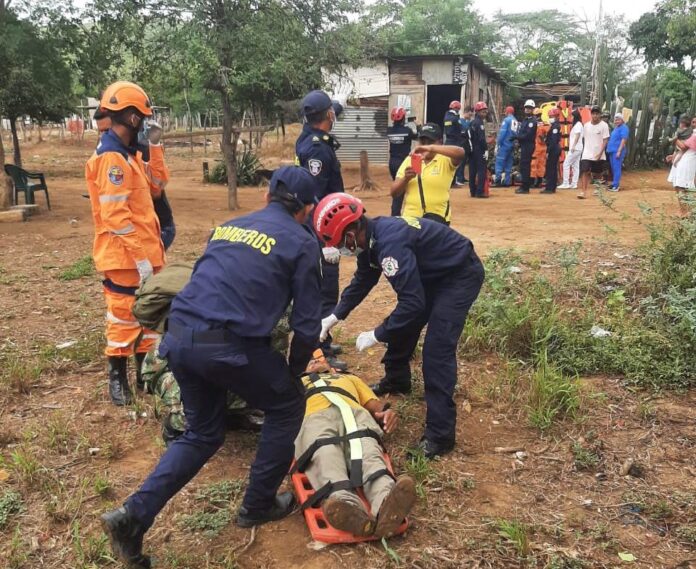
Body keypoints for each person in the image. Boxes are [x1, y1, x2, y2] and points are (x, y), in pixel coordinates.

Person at [101, 167, 323, 568]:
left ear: (267, 197)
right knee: (287, 405)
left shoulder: (227, 227)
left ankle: (132, 517)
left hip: (180, 337)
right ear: (306, 210)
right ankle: (257, 503)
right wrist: (293, 372)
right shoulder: (303, 243)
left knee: (203, 433)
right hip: (224, 343)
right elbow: (306, 327)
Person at [315, 194, 485, 459]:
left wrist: (377, 334)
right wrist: (334, 316)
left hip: (458, 275)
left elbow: (412, 304)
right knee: (404, 324)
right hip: (430, 274)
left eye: (339, 243)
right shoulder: (369, 239)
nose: (340, 249)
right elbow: (363, 279)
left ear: (349, 234)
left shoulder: (389, 242)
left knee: (436, 350)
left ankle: (440, 436)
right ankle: (398, 379)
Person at [85, 81, 165, 407]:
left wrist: (155, 148)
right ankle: (117, 378)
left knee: (148, 315)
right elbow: (115, 217)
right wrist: (140, 258)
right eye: (144, 117)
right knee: (122, 317)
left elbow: (157, 187)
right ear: (132, 118)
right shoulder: (111, 159)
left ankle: (146, 375)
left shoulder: (129, 155)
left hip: (145, 252)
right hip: (125, 257)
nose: (146, 122)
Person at [294, 353, 416, 538]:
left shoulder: (349, 378)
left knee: (367, 451)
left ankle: (386, 501)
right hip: (315, 417)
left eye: (319, 359)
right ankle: (344, 505)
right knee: (325, 452)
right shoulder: (294, 383)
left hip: (355, 415)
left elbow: (375, 406)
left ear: (332, 366)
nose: (315, 361)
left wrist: (385, 414)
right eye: (310, 361)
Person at [295, 90, 347, 369]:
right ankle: (318, 350)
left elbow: (327, 110)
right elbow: (313, 196)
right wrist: (326, 239)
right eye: (332, 111)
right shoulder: (316, 148)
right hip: (320, 229)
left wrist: (339, 102)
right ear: (327, 115)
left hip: (317, 228)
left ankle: (323, 339)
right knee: (324, 288)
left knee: (324, 287)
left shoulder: (310, 135)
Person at [94, 108, 176, 252]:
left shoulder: (136, 151)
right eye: (100, 132)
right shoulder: (106, 154)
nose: (104, 136)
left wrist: (155, 145)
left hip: (157, 228)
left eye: (107, 130)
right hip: (135, 236)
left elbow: (157, 188)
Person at [389, 123, 465, 225]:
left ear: (440, 142)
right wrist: (405, 179)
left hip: (438, 220)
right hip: (411, 220)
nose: (425, 145)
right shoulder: (410, 160)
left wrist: (431, 148)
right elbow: (394, 192)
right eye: (423, 142)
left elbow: (461, 152)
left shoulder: (445, 160)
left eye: (430, 142)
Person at [386, 107, 417, 215]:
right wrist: (416, 124)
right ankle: (397, 216)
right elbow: (416, 136)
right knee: (404, 190)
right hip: (404, 163)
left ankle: (395, 215)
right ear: (403, 118)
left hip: (392, 163)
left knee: (398, 188)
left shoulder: (389, 130)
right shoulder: (407, 131)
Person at [578, 106, 610, 199]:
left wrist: (600, 153)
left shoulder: (604, 125)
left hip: (599, 153)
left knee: (597, 172)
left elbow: (605, 140)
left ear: (600, 115)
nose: (595, 115)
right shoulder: (586, 125)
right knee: (584, 171)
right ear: (591, 114)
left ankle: (597, 188)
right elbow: (583, 138)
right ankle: (583, 192)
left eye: (597, 113)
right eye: (593, 113)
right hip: (587, 153)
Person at [667, 115, 696, 216]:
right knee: (681, 186)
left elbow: (683, 147)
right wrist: (674, 155)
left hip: (688, 163)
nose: (693, 125)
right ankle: (685, 210)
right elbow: (685, 149)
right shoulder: (692, 134)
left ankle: (684, 211)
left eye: (695, 122)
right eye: (693, 122)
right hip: (686, 161)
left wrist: (674, 139)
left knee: (681, 186)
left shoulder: (695, 135)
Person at [514, 100, 537, 194]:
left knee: (526, 166)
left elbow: (528, 135)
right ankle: (523, 185)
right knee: (523, 166)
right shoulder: (525, 120)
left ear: (532, 109)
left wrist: (517, 137)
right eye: (526, 107)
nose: (527, 109)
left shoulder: (532, 121)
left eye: (529, 108)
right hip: (524, 145)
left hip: (528, 145)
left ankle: (525, 187)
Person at [468, 101, 490, 199]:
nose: (485, 114)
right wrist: (486, 149)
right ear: (477, 112)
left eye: (485, 111)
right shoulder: (479, 123)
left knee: (472, 170)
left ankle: (472, 191)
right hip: (479, 149)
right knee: (481, 170)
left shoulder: (472, 122)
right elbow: (481, 139)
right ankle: (479, 191)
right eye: (483, 112)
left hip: (471, 149)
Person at [559, 109, 583, 189]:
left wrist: (573, 146)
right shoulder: (577, 124)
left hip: (575, 148)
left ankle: (566, 182)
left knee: (566, 163)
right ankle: (574, 183)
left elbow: (577, 135)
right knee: (575, 166)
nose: (571, 117)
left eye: (572, 116)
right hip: (577, 148)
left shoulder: (578, 124)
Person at [494, 106, 517, 187]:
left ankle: (498, 181)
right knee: (508, 163)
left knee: (499, 162)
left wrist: (498, 143)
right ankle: (507, 181)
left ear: (507, 112)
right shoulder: (515, 121)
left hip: (504, 144)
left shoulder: (506, 120)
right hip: (512, 144)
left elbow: (502, 133)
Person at [606, 113, 629, 192]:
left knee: (616, 168)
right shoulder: (616, 128)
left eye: (618, 120)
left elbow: (623, 140)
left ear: (622, 120)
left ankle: (616, 185)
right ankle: (614, 183)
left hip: (617, 150)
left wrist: (619, 151)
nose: (616, 121)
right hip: (612, 150)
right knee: (613, 168)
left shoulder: (624, 128)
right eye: (615, 120)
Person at [542, 107, 562, 194]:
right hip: (555, 148)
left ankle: (549, 188)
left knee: (550, 169)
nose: (550, 118)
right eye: (549, 116)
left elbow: (553, 141)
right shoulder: (555, 126)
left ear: (557, 116)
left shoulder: (555, 127)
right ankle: (551, 187)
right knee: (552, 168)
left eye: (552, 116)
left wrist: (548, 151)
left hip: (553, 149)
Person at [530, 108, 548, 187]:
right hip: (544, 147)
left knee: (533, 164)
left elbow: (538, 136)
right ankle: (539, 181)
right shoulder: (545, 123)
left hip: (536, 146)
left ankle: (532, 181)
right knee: (541, 164)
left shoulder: (534, 124)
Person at [456, 106, 473, 184]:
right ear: (465, 112)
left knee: (465, 162)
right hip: (461, 144)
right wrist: (469, 123)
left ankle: (462, 177)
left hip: (467, 144)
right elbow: (464, 130)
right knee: (461, 162)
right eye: (469, 115)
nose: (470, 116)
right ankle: (459, 178)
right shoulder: (460, 121)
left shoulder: (468, 122)